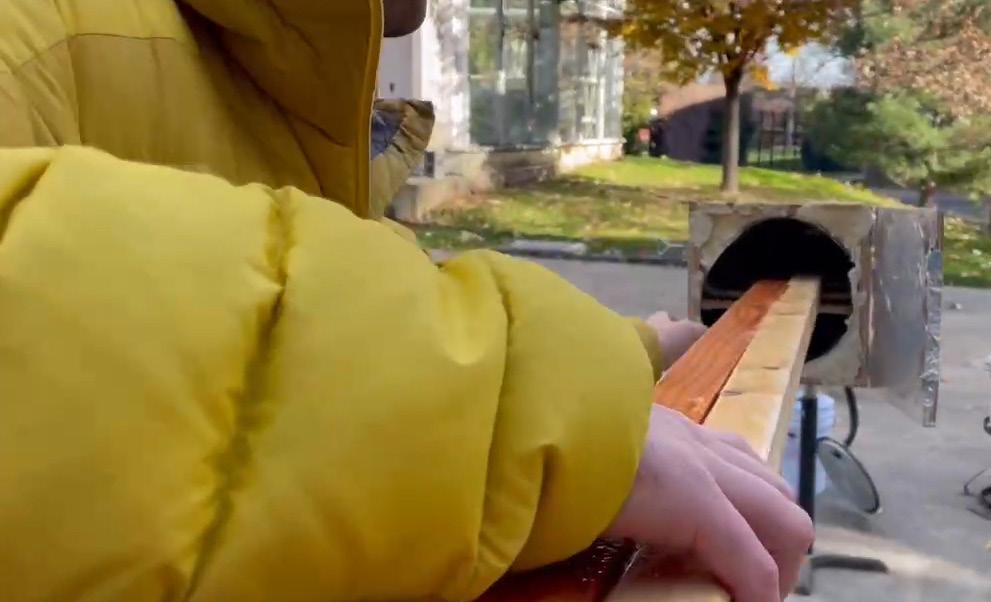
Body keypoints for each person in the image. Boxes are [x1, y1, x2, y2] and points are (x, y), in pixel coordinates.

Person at [0, 1, 812, 601]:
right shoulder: (37, 34)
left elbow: (294, 289)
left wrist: (607, 363)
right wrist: (501, 422)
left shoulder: (277, 75)